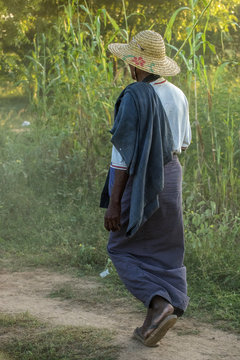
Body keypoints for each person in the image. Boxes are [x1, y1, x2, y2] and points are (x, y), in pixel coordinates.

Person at [100, 30, 191, 347]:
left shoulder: (134, 96)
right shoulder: (178, 95)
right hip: (171, 175)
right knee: (165, 250)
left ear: (135, 65)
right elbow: (183, 143)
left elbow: (122, 157)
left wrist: (114, 203)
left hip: (140, 179)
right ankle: (160, 313)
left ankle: (158, 302)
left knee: (119, 246)